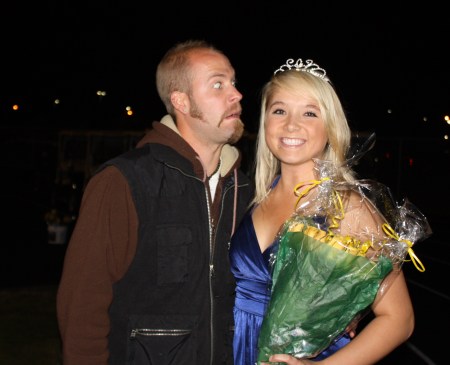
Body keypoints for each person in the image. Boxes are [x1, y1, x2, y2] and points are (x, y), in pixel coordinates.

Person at [56, 39, 253, 365]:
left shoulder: (243, 189)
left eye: (233, 82)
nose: (236, 94)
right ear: (181, 101)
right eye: (218, 84)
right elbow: (83, 304)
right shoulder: (125, 181)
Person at [229, 58, 417, 365]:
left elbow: (399, 319)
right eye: (279, 110)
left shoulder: (347, 208)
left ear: (330, 126)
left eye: (309, 112)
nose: (291, 124)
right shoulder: (250, 196)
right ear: (264, 122)